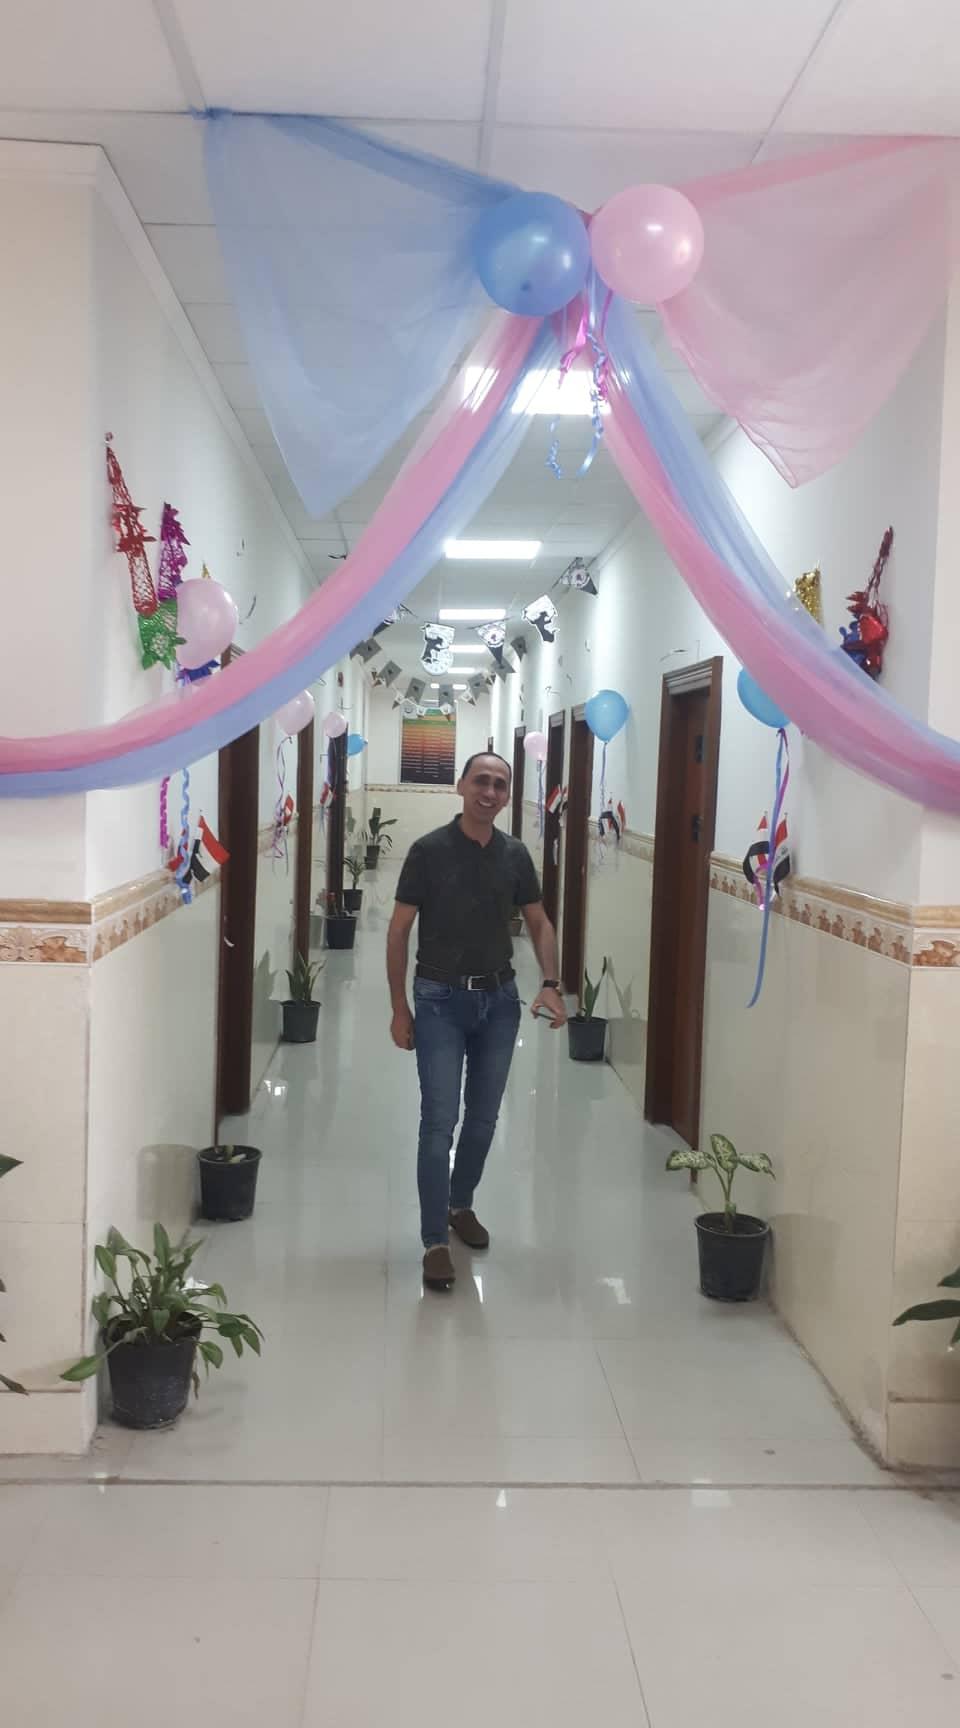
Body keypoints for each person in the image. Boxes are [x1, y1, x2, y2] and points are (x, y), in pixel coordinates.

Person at [387, 751, 567, 1290]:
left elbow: (539, 922)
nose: (490, 792)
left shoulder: (515, 855)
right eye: (481, 781)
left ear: (508, 795)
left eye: (500, 785)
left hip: (499, 1002)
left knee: (484, 1119)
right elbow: (398, 931)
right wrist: (399, 1008)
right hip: (438, 999)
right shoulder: (428, 851)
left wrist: (551, 982)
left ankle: (459, 1205)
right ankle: (433, 1241)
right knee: (439, 1121)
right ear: (461, 786)